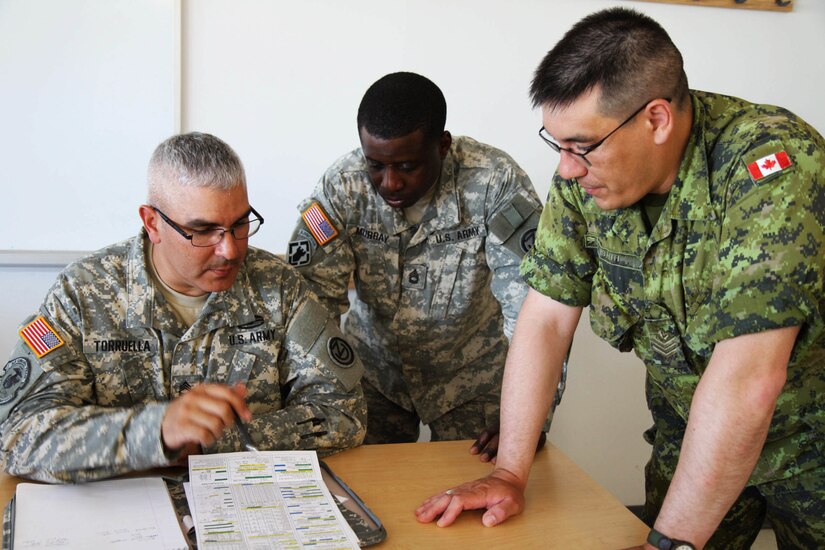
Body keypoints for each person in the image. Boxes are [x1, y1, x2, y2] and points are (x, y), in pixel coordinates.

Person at [416, 7, 825, 549]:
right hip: (692, 441)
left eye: (582, 146)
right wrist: (509, 474)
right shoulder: (585, 175)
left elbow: (749, 379)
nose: (565, 168)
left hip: (812, 446)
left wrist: (668, 546)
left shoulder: (770, 164)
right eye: (556, 144)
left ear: (657, 119)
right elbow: (545, 320)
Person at [0, 132, 367, 484]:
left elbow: (343, 413)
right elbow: (16, 436)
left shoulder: (278, 287)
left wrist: (211, 441)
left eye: (240, 224)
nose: (230, 250)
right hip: (123, 511)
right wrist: (154, 433)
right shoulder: (82, 294)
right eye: (203, 230)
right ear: (152, 222)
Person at [288, 72, 556, 453]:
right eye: (375, 165)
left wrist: (529, 412)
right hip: (372, 375)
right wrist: (319, 397)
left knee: (479, 490)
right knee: (362, 493)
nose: (390, 182)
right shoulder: (343, 187)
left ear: (442, 146)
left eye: (407, 166)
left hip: (472, 377)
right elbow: (312, 303)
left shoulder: (494, 182)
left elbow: (536, 304)